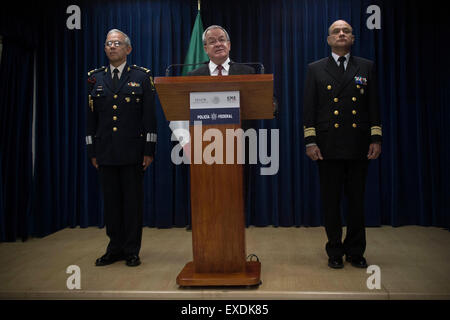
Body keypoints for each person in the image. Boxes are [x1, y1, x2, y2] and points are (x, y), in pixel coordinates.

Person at [303, 20, 382, 269]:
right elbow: (309, 109)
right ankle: (335, 250)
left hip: (358, 144)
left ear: (352, 38)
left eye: (345, 31)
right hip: (327, 145)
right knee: (331, 201)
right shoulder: (315, 69)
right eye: (336, 32)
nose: (341, 34)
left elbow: (374, 106)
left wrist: (376, 138)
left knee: (357, 201)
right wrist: (310, 141)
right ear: (328, 40)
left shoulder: (366, 67)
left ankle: (356, 250)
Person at [86, 29, 157, 267]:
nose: (112, 47)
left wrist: (149, 149)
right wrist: (91, 151)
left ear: (128, 49)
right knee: (111, 203)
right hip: (105, 152)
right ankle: (114, 248)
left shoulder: (142, 76)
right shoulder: (95, 78)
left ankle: (131, 250)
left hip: (132, 152)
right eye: (108, 43)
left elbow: (149, 117)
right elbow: (90, 119)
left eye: (117, 43)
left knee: (132, 204)